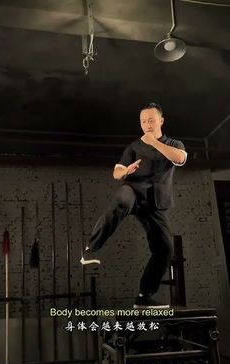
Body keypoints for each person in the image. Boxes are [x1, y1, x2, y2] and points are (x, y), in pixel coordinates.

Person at [80, 103, 187, 308]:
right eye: (143, 121)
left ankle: (144, 296)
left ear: (161, 121)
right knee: (121, 200)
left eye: (151, 120)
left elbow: (179, 159)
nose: (146, 125)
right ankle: (91, 249)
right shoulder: (133, 147)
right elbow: (116, 173)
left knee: (165, 249)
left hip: (154, 202)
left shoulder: (174, 143)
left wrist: (154, 143)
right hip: (133, 191)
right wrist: (126, 170)